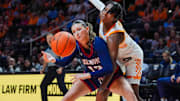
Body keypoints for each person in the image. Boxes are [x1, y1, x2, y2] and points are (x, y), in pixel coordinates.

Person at [42, 20, 137, 101]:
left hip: (111, 77)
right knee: (66, 99)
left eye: (79, 29)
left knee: (131, 96)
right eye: (74, 32)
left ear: (87, 29)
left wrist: (87, 75)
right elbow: (64, 62)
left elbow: (109, 68)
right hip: (93, 77)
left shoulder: (98, 43)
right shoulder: (77, 46)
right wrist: (54, 60)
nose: (77, 33)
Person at [93, 1, 144, 101]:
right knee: (104, 92)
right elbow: (97, 3)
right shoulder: (104, 15)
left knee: (133, 96)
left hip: (132, 58)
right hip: (118, 58)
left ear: (114, 18)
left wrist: (102, 87)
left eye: (108, 12)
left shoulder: (114, 35)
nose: (104, 13)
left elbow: (111, 65)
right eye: (104, 10)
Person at [40, 34, 68, 101]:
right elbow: (45, 61)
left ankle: (70, 98)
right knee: (43, 85)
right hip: (51, 69)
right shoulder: (47, 50)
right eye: (47, 38)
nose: (49, 39)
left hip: (58, 68)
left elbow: (63, 59)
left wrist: (61, 68)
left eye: (50, 38)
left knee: (62, 87)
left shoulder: (59, 47)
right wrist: (43, 69)